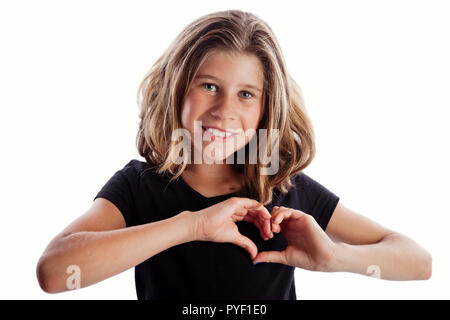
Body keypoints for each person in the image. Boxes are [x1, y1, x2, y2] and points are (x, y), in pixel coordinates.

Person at [36, 9, 432, 300]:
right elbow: (54, 273)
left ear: (265, 108)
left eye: (246, 94)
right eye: (209, 86)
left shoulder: (284, 189)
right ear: (177, 89)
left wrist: (335, 257)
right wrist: (191, 226)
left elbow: (418, 261)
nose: (224, 110)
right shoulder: (139, 187)